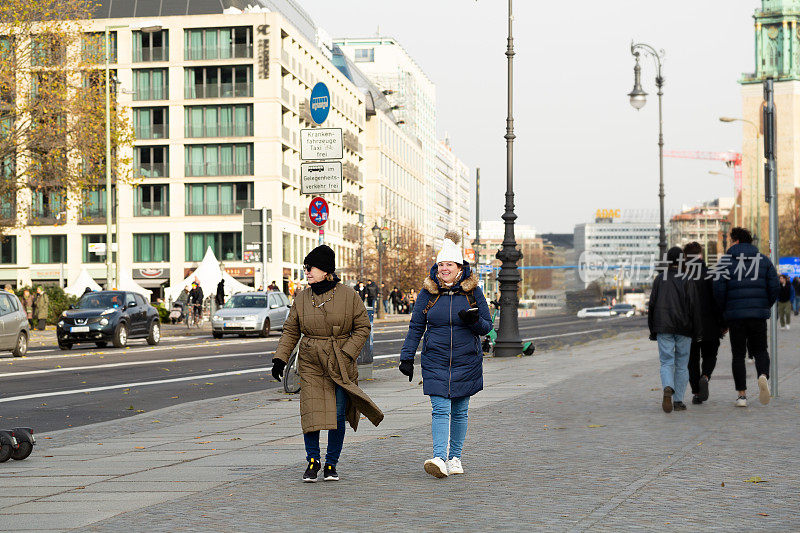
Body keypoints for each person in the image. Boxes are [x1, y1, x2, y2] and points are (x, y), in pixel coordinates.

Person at [272, 245, 384, 482]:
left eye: (310, 268)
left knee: (336, 416)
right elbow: (291, 330)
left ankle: (331, 464)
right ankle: (313, 461)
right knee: (311, 414)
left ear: (325, 270)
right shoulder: (302, 298)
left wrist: (346, 353)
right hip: (311, 362)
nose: (307, 272)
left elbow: (363, 327)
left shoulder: (348, 295)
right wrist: (280, 359)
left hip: (339, 362)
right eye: (306, 268)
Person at [399, 232, 493, 478]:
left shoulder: (473, 293)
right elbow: (416, 326)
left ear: (459, 267)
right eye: (441, 264)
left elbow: (487, 326)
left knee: (460, 411)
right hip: (436, 360)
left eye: (449, 264)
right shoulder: (428, 293)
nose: (444, 269)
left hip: (466, 360)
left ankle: (455, 458)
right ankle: (439, 457)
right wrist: (407, 357)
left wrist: (474, 321)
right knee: (440, 409)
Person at [713, 227, 779, 407]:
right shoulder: (763, 261)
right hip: (757, 315)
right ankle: (763, 375)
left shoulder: (725, 262)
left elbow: (718, 289)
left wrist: (724, 311)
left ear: (735, 241)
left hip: (736, 316)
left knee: (738, 355)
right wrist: (764, 305)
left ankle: (742, 396)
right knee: (760, 350)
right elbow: (774, 286)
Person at [648, 247, 701, 413]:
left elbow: (652, 305)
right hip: (684, 327)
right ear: (682, 260)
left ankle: (668, 387)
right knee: (682, 364)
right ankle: (678, 401)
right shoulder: (687, 278)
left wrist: (653, 329)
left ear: (668, 260)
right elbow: (694, 306)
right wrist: (697, 331)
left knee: (666, 361)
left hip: (663, 326)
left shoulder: (659, 279)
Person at [683, 242, 726, 405]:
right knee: (710, 355)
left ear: (686, 258)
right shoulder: (711, 274)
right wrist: (723, 323)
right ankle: (705, 376)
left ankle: (696, 392)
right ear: (700, 255)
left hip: (690, 327)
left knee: (692, 360)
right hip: (710, 325)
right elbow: (718, 300)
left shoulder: (683, 277)